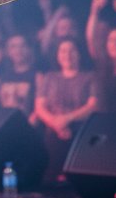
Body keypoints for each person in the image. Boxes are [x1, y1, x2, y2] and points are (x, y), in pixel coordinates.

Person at [34, 38, 97, 183]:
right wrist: (56, 124)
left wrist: (66, 119)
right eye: (63, 51)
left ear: (79, 53)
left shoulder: (90, 77)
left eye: (71, 50)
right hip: (52, 133)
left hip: (80, 135)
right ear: (57, 55)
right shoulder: (50, 77)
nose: (67, 54)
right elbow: (39, 107)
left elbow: (93, 106)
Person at [0, 34, 39, 118]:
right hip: (4, 123)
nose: (18, 50)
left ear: (28, 49)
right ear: (8, 52)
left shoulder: (37, 76)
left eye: (22, 46)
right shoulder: (3, 77)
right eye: (13, 47)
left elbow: (39, 109)